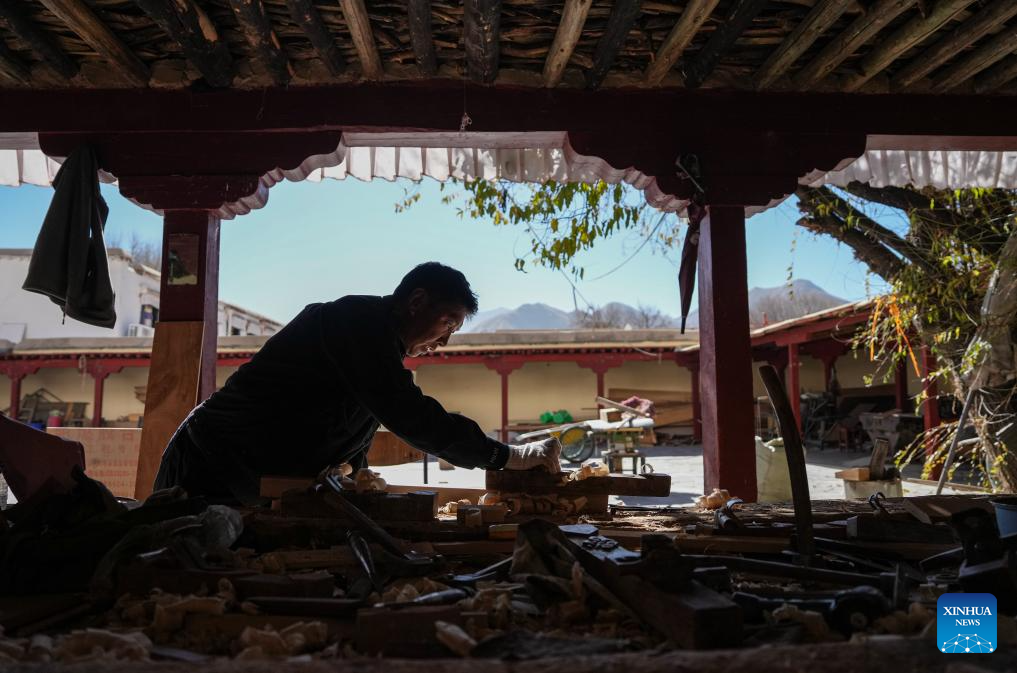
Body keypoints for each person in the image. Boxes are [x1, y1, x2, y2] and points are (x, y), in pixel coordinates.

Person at [154, 262, 561, 504]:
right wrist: (506, 456)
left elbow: (354, 428)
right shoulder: (355, 323)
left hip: (252, 473)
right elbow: (409, 414)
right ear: (417, 302)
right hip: (210, 464)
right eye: (447, 323)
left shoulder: (377, 343)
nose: (446, 340)